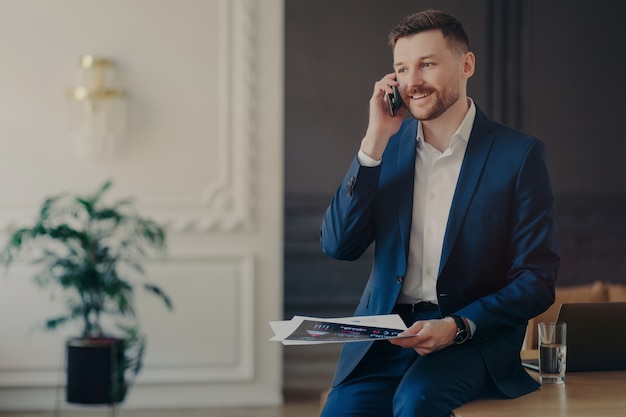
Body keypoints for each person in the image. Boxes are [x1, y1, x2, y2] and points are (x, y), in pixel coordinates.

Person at [319, 9, 560, 417]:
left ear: (466, 64)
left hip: (468, 339)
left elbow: (536, 279)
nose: (412, 81)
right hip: (386, 337)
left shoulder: (518, 156)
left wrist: (459, 325)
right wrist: (373, 141)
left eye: (426, 64)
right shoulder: (385, 150)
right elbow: (339, 244)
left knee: (417, 402)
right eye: (401, 68)